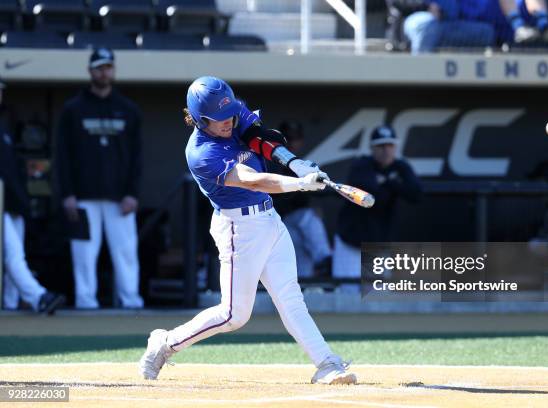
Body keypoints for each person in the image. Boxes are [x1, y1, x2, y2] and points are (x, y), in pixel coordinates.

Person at [138, 76, 357, 385]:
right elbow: (253, 179)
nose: (228, 122)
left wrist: (295, 163)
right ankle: (164, 343)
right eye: (219, 119)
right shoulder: (201, 154)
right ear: (201, 120)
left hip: (269, 220)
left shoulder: (232, 113)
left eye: (230, 115)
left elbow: (261, 137)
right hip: (238, 229)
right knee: (233, 315)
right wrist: (300, 183)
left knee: (291, 298)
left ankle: (327, 363)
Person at [55, 48, 144, 309]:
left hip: (120, 197)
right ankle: (85, 303)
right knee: (83, 254)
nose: (104, 72)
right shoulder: (73, 109)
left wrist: (133, 193)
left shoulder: (128, 110)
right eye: (99, 67)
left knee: (126, 252)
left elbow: (138, 157)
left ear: (113, 70)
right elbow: (62, 155)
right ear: (90, 70)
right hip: (82, 197)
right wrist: (67, 194)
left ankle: (131, 302)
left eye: (108, 67)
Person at [0, 77, 66, 314]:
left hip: (10, 203)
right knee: (12, 253)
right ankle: (38, 297)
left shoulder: (3, 127)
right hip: (1, 204)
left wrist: (22, 203)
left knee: (14, 256)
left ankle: (8, 304)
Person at [332, 125, 422, 291]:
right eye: (380, 146)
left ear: (395, 147)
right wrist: (395, 184)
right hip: (350, 241)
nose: (386, 150)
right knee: (347, 294)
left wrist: (388, 182)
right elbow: (375, 198)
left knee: (378, 297)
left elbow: (416, 193)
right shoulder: (361, 166)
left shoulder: (401, 167)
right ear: (372, 147)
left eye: (390, 145)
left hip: (377, 244)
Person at [268, 120, 332, 279]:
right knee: (307, 217)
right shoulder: (268, 163)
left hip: (293, 230)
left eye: (295, 139)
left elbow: (316, 192)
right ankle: (323, 258)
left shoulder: (301, 166)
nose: (291, 144)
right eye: (287, 139)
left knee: (301, 272)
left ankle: (324, 263)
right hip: (272, 226)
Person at [404, 0, 495, 54]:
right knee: (428, 25)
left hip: (449, 25)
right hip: (417, 19)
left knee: (486, 32)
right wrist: (426, 6)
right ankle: (420, 72)